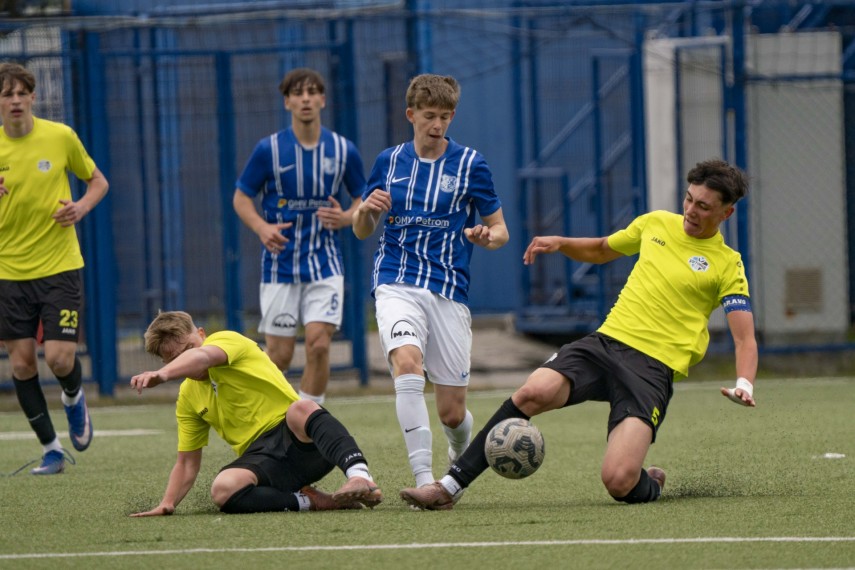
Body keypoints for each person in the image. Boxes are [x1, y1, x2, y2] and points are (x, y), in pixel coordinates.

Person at [400, 158, 758, 509]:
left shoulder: (728, 264)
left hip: (651, 370)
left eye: (704, 207)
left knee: (619, 481)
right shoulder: (657, 223)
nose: (691, 211)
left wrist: (745, 382)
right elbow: (604, 249)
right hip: (606, 343)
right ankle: (448, 487)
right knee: (532, 392)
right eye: (689, 199)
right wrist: (561, 242)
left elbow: (744, 338)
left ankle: (650, 484)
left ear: (726, 213)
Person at [352, 74, 509, 488]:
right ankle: (424, 479)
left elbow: (500, 231)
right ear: (411, 115)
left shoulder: (471, 164)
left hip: (448, 290)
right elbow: (362, 229)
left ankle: (459, 453)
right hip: (396, 282)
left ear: (452, 116)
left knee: (452, 414)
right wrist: (367, 209)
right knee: (407, 363)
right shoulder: (388, 162)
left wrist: (484, 236)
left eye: (444, 116)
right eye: (428, 116)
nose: (436, 125)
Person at [128, 310, 383, 516]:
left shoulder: (226, 340)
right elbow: (186, 462)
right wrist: (167, 502)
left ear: (202, 334)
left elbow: (203, 357)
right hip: (263, 462)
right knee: (222, 489)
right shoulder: (187, 396)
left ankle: (360, 477)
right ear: (166, 362)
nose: (187, 359)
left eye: (190, 347)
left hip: (304, 442)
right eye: (174, 359)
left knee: (301, 408)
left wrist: (163, 375)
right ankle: (312, 501)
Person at [0, 62, 109, 475]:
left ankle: (73, 397)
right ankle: (52, 450)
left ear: (32, 97)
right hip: (8, 272)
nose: (14, 100)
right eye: (6, 94)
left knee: (60, 359)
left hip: (59, 266)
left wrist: (80, 206)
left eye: (20, 93)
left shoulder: (60, 137)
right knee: (23, 364)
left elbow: (98, 181)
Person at [233, 67, 366, 406]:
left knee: (319, 344)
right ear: (287, 102)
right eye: (298, 93)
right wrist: (261, 228)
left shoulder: (343, 150)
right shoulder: (270, 150)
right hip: (280, 267)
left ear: (322, 100)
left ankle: (310, 421)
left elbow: (363, 198)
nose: (305, 99)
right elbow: (241, 197)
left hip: (324, 264)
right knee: (278, 357)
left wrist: (347, 217)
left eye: (312, 92)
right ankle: (275, 424)